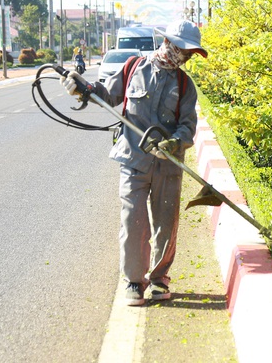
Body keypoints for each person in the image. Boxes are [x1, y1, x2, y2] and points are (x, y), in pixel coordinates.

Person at [61, 20, 207, 306]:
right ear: (168, 43)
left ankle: (158, 279)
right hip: (133, 159)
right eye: (183, 49)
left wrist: (175, 142)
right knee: (133, 221)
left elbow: (188, 126)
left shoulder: (184, 85)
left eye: (189, 53)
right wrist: (83, 89)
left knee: (166, 222)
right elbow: (107, 94)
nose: (185, 56)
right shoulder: (133, 68)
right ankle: (133, 281)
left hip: (168, 165)